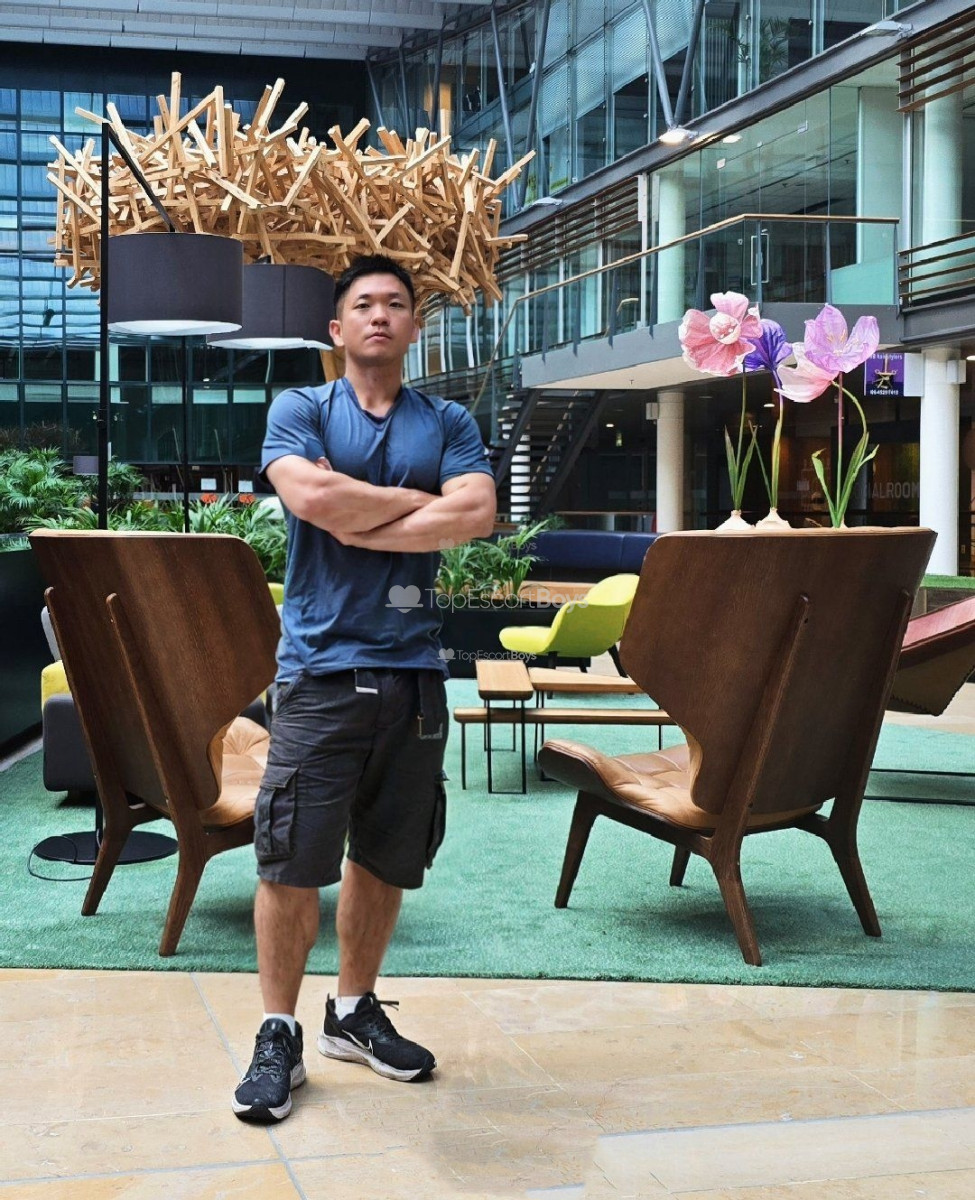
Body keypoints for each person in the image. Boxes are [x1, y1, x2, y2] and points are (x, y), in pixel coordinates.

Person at [232, 254, 496, 1123]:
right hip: (319, 669)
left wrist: (359, 513)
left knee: (386, 853)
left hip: (414, 673)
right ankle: (278, 1030)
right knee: (290, 858)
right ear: (337, 327)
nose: (379, 314)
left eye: (395, 304)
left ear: (414, 326)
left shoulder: (447, 419)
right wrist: (414, 505)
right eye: (363, 304)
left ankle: (351, 1012)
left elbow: (476, 513)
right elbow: (310, 497)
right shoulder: (302, 408)